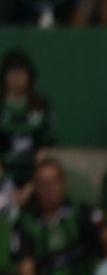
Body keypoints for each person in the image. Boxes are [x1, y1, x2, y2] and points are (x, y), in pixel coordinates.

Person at [0, 48, 54, 205]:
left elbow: (43, 152)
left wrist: (30, 187)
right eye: (12, 74)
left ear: (29, 76)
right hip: (4, 178)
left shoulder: (41, 106)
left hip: (33, 180)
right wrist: (8, 188)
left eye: (21, 73)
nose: (17, 79)